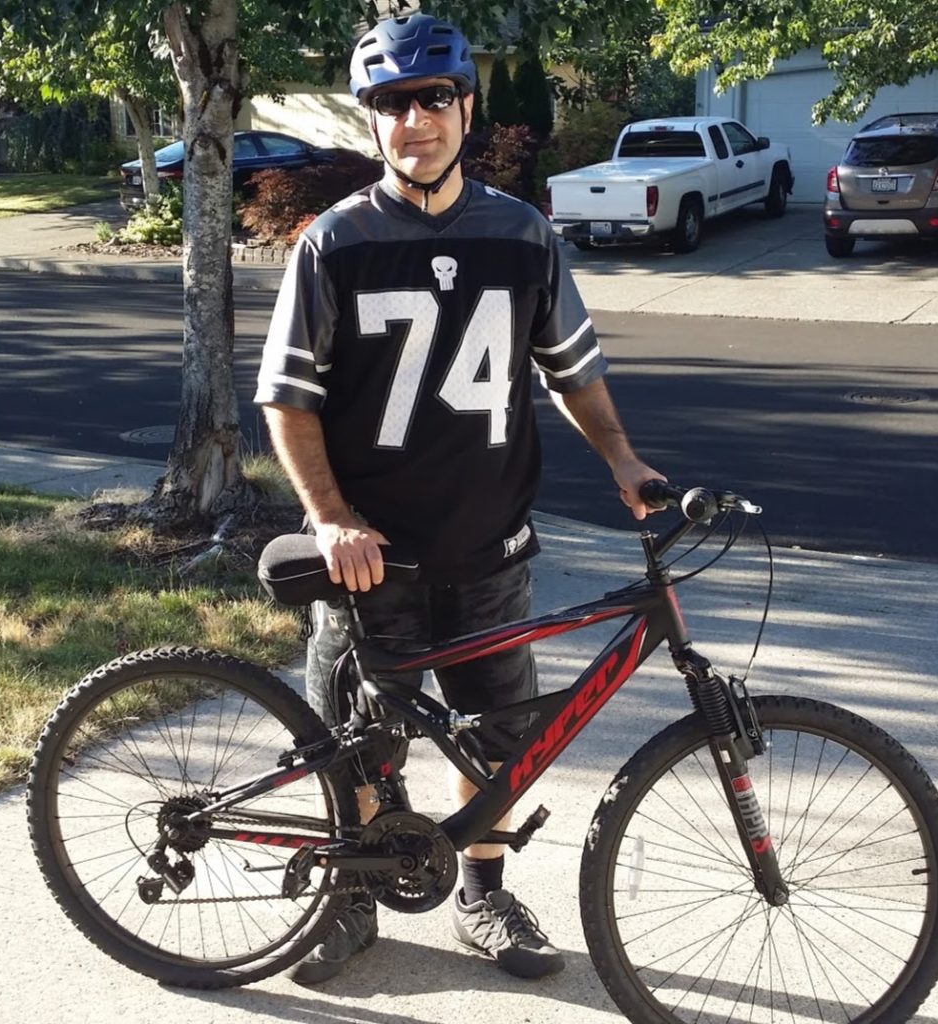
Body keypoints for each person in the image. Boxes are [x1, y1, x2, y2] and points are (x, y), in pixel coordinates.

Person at [254, 11, 663, 987]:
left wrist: (623, 460)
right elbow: (288, 400)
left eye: (432, 97)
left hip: (489, 553)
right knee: (359, 748)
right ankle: (350, 897)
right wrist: (330, 515)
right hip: (372, 562)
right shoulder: (335, 244)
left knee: (501, 747)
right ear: (373, 123)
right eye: (391, 104)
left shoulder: (520, 235)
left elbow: (572, 373)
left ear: (465, 108)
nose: (414, 120)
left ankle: (483, 890)